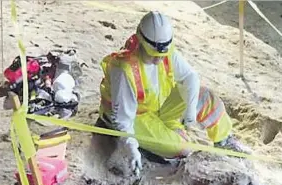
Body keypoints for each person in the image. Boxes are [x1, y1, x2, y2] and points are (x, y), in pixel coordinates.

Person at [92, 11, 251, 174]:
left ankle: (224, 141)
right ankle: (149, 146)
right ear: (140, 42)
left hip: (159, 106)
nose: (159, 60)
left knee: (206, 98)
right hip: (135, 119)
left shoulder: (166, 50)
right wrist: (130, 146)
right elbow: (123, 120)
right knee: (183, 149)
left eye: (162, 55)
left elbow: (190, 77)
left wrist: (190, 111)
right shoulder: (124, 69)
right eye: (153, 55)